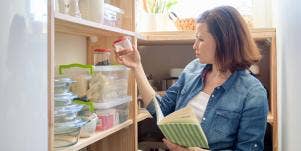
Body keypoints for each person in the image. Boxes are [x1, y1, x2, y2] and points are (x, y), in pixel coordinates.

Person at [116, 6, 268, 151]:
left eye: (200, 39)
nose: (194, 46)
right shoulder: (193, 69)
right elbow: (161, 111)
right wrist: (137, 66)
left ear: (224, 41)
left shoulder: (253, 93)